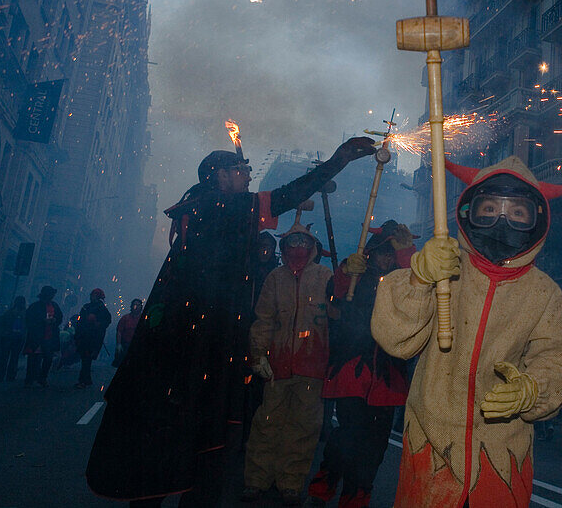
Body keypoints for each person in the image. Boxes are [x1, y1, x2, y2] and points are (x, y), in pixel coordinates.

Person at [86, 136, 375, 506]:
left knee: (166, 420)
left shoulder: (204, 203)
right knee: (201, 426)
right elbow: (287, 194)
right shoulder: (224, 206)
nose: (247, 176)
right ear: (220, 176)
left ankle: (157, 490)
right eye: (241, 171)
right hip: (199, 335)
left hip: (181, 333)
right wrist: (338, 160)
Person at [371, 156, 562, 507]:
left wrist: (533, 389)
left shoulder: (544, 292)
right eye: (489, 208)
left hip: (502, 457)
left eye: (517, 212)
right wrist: (420, 277)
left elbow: (557, 360)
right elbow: (397, 339)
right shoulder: (444, 267)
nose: (502, 219)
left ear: (536, 219)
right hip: (432, 448)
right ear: (469, 212)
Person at [307, 220, 415, 508]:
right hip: (353, 369)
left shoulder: (404, 281)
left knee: (375, 446)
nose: (387, 259)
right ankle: (323, 488)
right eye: (383, 252)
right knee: (346, 438)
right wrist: (345, 272)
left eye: (393, 254)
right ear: (373, 252)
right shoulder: (358, 275)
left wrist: (407, 258)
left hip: (387, 376)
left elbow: (419, 296)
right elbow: (336, 294)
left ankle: (356, 499)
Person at [242, 218, 334, 506]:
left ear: (312, 246)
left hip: (313, 365)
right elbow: (264, 319)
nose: (297, 247)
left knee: (303, 428)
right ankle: (256, 481)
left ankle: (290, 483)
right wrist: (257, 354)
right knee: (267, 424)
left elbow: (337, 314)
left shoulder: (325, 276)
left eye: (303, 242)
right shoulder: (275, 278)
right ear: (284, 246)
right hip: (278, 364)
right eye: (292, 242)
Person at [23, 286, 63, 387]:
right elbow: (29, 320)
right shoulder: (35, 306)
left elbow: (59, 317)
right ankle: (29, 379)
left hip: (49, 337)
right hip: (37, 336)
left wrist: (55, 320)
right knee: (33, 358)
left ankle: (42, 377)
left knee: (48, 358)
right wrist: (42, 321)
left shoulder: (54, 306)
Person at [75, 288, 112, 388]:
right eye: (92, 295)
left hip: (94, 337)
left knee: (87, 358)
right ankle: (86, 379)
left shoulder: (102, 309)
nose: (92, 297)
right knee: (85, 358)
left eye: (94, 295)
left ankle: (83, 380)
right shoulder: (86, 307)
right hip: (84, 335)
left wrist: (98, 324)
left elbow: (107, 321)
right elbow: (80, 320)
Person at [0, 296, 27, 382]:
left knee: (6, 357)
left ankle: (1, 376)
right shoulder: (23, 314)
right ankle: (9, 376)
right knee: (12, 358)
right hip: (13, 337)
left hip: (10, 337)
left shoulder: (9, 312)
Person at [114, 299, 143, 368]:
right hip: (125, 345)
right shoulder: (125, 318)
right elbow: (119, 332)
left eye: (138, 305)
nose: (136, 307)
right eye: (134, 305)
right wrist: (118, 344)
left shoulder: (143, 318)